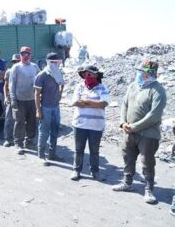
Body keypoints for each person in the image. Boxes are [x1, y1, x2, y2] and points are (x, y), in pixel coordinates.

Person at [112, 59, 167, 204]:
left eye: (141, 72)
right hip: (129, 132)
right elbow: (124, 104)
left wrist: (134, 126)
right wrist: (123, 123)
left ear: (148, 74)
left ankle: (149, 190)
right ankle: (127, 183)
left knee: (147, 162)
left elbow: (154, 115)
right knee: (128, 158)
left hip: (148, 135)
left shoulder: (158, 90)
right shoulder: (133, 85)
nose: (138, 73)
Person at [70, 65, 109, 180]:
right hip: (79, 124)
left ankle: (95, 171)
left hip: (96, 126)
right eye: (86, 74)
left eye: (90, 74)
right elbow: (74, 102)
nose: (87, 76)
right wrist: (94, 102)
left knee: (94, 151)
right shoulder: (79, 86)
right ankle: (76, 170)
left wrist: (86, 101)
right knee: (78, 150)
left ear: (96, 75)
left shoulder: (103, 88)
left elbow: (104, 103)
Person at [34, 53, 65, 165]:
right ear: (49, 62)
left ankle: (52, 154)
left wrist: (60, 92)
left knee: (55, 131)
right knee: (44, 132)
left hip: (56, 107)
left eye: (58, 62)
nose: (57, 64)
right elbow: (36, 94)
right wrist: (38, 110)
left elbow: (62, 83)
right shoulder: (42, 76)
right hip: (45, 107)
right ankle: (41, 155)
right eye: (54, 62)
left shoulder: (58, 73)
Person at [10, 46, 40, 155]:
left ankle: (29, 141)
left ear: (30, 55)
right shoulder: (16, 67)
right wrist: (13, 99)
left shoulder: (35, 67)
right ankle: (18, 143)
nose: (25, 56)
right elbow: (11, 84)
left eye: (27, 54)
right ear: (20, 55)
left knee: (32, 121)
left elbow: (40, 80)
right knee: (19, 121)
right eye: (23, 54)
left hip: (32, 99)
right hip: (19, 99)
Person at [3, 54, 20, 147]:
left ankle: (17, 139)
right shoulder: (9, 72)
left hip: (21, 98)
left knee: (19, 119)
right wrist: (6, 97)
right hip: (11, 98)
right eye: (15, 62)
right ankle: (7, 139)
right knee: (8, 119)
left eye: (18, 61)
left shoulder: (23, 70)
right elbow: (5, 86)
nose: (16, 63)